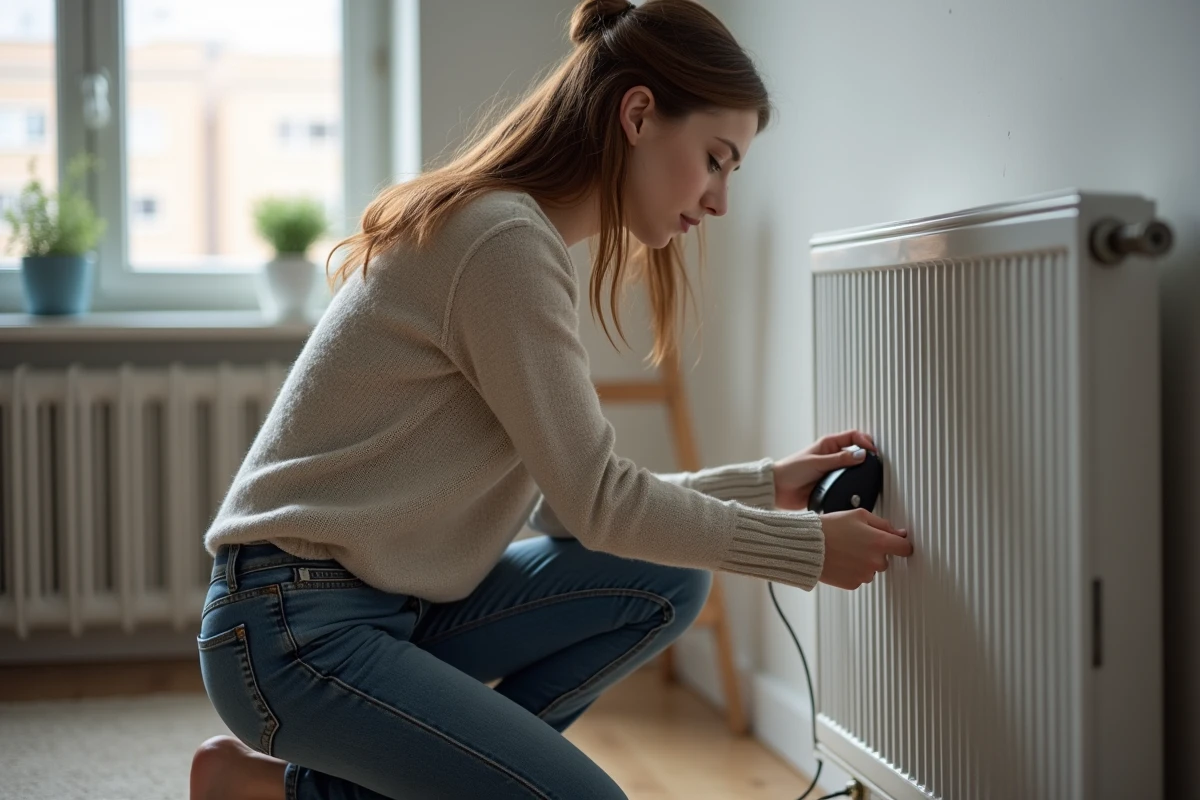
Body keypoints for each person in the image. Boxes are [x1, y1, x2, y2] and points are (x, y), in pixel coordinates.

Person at [189, 1, 913, 797]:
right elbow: (599, 503)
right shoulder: (503, 243)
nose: (719, 202)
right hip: (292, 628)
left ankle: (279, 789)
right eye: (715, 158)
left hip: (387, 607)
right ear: (638, 113)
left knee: (670, 580)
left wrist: (761, 486)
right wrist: (804, 549)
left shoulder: (517, 240)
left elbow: (569, 513)